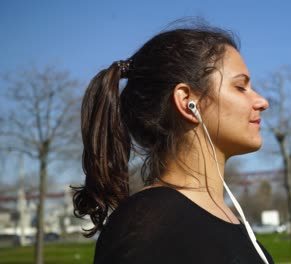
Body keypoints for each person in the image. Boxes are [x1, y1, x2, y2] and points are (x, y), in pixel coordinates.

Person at [72, 22, 273, 264]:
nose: (262, 101)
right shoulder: (148, 225)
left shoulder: (231, 222)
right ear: (188, 101)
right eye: (240, 87)